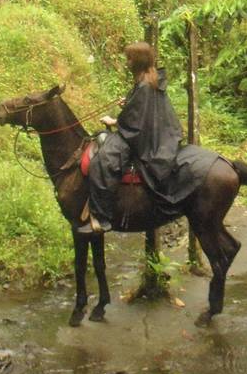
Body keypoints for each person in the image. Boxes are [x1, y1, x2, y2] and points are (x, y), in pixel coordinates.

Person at [79, 42, 184, 234]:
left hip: (145, 138)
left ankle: (101, 218)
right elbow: (140, 111)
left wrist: (114, 122)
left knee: (103, 162)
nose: (126, 62)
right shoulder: (148, 80)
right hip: (158, 132)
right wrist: (127, 103)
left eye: (129, 59)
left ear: (137, 61)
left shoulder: (145, 85)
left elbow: (135, 123)